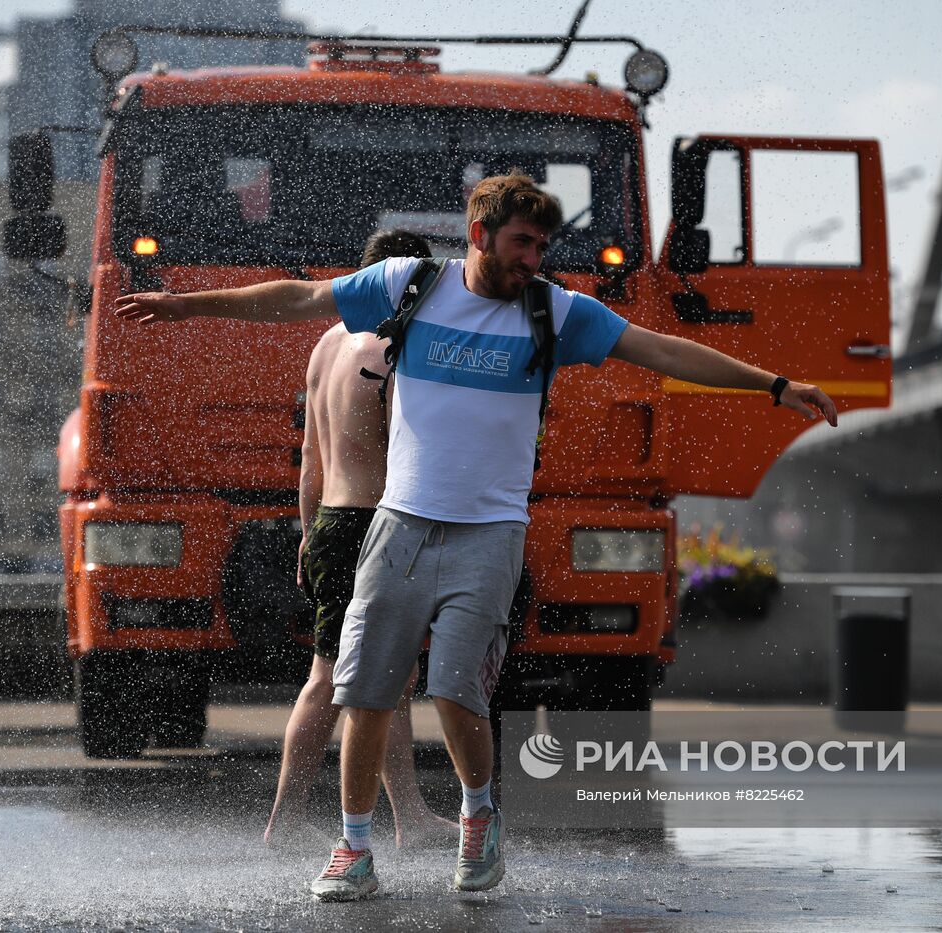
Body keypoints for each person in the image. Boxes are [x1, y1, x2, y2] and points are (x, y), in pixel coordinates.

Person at [113, 171, 839, 902]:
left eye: (544, 245)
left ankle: (478, 813)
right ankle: (354, 846)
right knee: (362, 688)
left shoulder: (555, 311)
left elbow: (664, 351)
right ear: (481, 234)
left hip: (489, 533)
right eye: (524, 243)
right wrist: (183, 306)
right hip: (398, 525)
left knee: (456, 689)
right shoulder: (410, 287)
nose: (536, 257)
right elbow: (297, 298)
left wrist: (774, 385)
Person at [264, 229, 454, 849]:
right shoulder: (399, 345)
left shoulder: (327, 343)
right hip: (379, 524)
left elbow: (309, 455)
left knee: (384, 681)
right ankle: (287, 823)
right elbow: (413, 454)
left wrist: (306, 529)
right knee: (334, 680)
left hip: (329, 522)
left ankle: (409, 819)